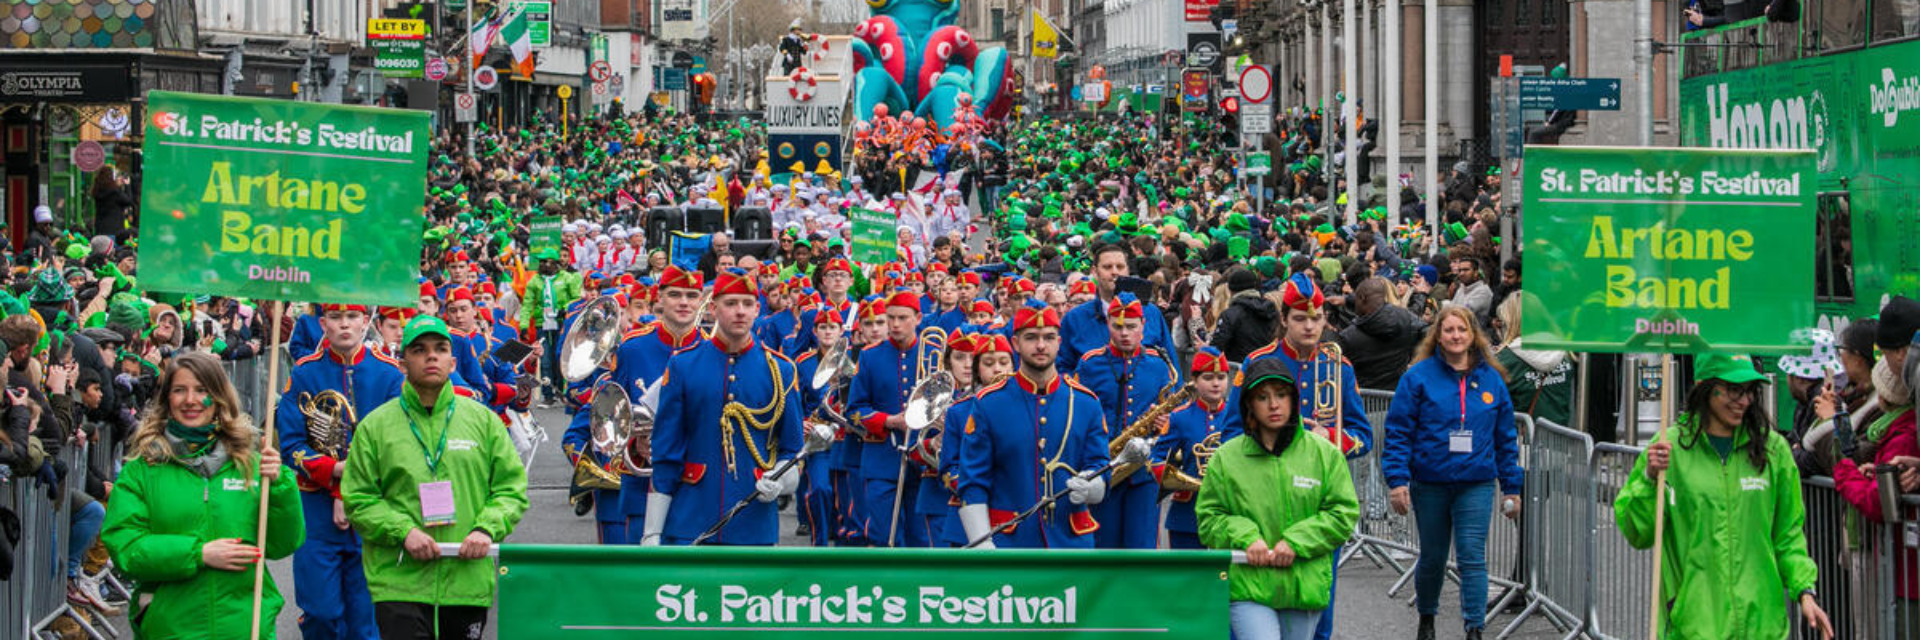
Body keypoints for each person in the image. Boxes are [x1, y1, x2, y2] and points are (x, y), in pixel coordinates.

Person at [1613, 353, 1834, 640]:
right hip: (1694, 627)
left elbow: (1788, 535)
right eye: (1733, 389)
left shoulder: (1774, 450)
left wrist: (1805, 591)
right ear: (1705, 387)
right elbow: (1636, 531)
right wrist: (1648, 479)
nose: (1743, 400)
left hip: (1763, 627)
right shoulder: (1669, 449)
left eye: (1749, 391)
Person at [341, 315, 530, 640]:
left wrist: (486, 528)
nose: (431, 356)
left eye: (440, 349)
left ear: (452, 361)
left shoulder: (483, 421)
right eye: (419, 349)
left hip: (466, 579)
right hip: (400, 582)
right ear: (402, 363)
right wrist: (403, 532)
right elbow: (359, 499)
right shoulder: (375, 427)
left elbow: (511, 490)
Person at [101, 352, 304, 639]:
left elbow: (283, 544)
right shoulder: (142, 470)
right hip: (170, 629)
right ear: (167, 399)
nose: (190, 400)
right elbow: (126, 547)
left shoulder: (250, 464)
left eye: (201, 390)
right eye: (179, 390)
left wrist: (281, 487)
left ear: (218, 397)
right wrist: (199, 554)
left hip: (244, 627)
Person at [1382, 306, 1524, 640]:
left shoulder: (1492, 379)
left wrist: (1511, 487)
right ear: (1438, 335)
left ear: (1473, 334)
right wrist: (1397, 480)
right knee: (1432, 556)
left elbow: (1506, 438)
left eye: (1462, 330)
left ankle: (1474, 627)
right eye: (1449, 330)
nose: (1456, 336)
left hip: (1476, 483)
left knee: (1472, 557)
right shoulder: (1417, 377)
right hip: (1429, 483)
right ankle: (1427, 620)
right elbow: (1399, 431)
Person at [1197, 356, 1359, 640]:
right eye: (1262, 397)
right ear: (1249, 405)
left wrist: (1297, 542)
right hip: (1249, 583)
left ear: (1294, 400)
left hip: (1302, 583)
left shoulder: (1325, 453)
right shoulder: (1226, 458)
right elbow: (1210, 518)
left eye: (1281, 395)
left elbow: (1342, 513)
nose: (1274, 405)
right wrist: (1247, 537)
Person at [641, 268, 804, 546]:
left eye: (747, 304)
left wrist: (781, 482)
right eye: (730, 303)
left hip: (753, 523)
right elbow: (666, 452)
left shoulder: (781, 370)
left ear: (757, 310)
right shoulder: (682, 365)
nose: (740, 311)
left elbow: (793, 448)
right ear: (713, 309)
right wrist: (652, 530)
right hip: (690, 521)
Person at [277, 303, 405, 640]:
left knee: (367, 617)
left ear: (365, 322)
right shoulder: (304, 373)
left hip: (373, 508)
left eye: (352, 318)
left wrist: (346, 490)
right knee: (321, 613)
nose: (344, 325)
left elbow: (395, 446)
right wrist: (334, 472)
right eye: (335, 318)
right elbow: (291, 445)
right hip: (316, 512)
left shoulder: (390, 374)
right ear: (323, 324)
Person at [956, 300, 1113, 549]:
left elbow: (1100, 464)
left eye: (1049, 337)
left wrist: (1093, 485)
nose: (1041, 345)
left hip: (1071, 543)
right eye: (1031, 337)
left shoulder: (1085, 402)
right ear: (1016, 343)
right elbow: (973, 479)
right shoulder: (990, 403)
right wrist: (981, 543)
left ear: (1059, 342)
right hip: (1009, 542)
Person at [1073, 292, 1180, 549]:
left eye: (1131, 327)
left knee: (1141, 548)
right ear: (1107, 323)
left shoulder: (1157, 364)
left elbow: (1172, 419)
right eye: (1117, 326)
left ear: (1143, 325)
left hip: (1143, 472)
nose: (1124, 333)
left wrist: (1164, 421)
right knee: (1102, 546)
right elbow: (1076, 415)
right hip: (1103, 466)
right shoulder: (1090, 364)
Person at [847, 290, 938, 547]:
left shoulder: (934, 352)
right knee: (884, 535)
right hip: (881, 458)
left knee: (921, 538)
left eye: (902, 318)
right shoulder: (870, 356)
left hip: (924, 458)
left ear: (918, 318)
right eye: (891, 318)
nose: (895, 324)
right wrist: (889, 421)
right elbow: (854, 409)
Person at [1154, 346, 1239, 549]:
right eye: (1208, 378)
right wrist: (1173, 479)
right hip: (1187, 513)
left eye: (1221, 377)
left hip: (1228, 510)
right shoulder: (1179, 417)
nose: (1216, 383)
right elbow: (1155, 458)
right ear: (1195, 380)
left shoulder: (1236, 417)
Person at [1058, 243, 1174, 375]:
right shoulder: (1074, 318)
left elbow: (1171, 364)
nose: (1114, 272)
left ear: (1128, 270)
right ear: (1095, 272)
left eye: (1120, 267)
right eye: (1107, 267)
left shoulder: (1151, 312)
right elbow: (1063, 369)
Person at [521, 248, 582, 405]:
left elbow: (576, 299)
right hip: (543, 324)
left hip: (562, 324)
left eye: (545, 261)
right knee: (545, 359)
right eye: (540, 261)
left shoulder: (567, 278)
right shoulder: (534, 281)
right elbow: (527, 304)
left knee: (561, 357)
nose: (542, 264)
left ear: (554, 263)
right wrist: (524, 326)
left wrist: (565, 309)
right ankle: (548, 394)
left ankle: (563, 391)